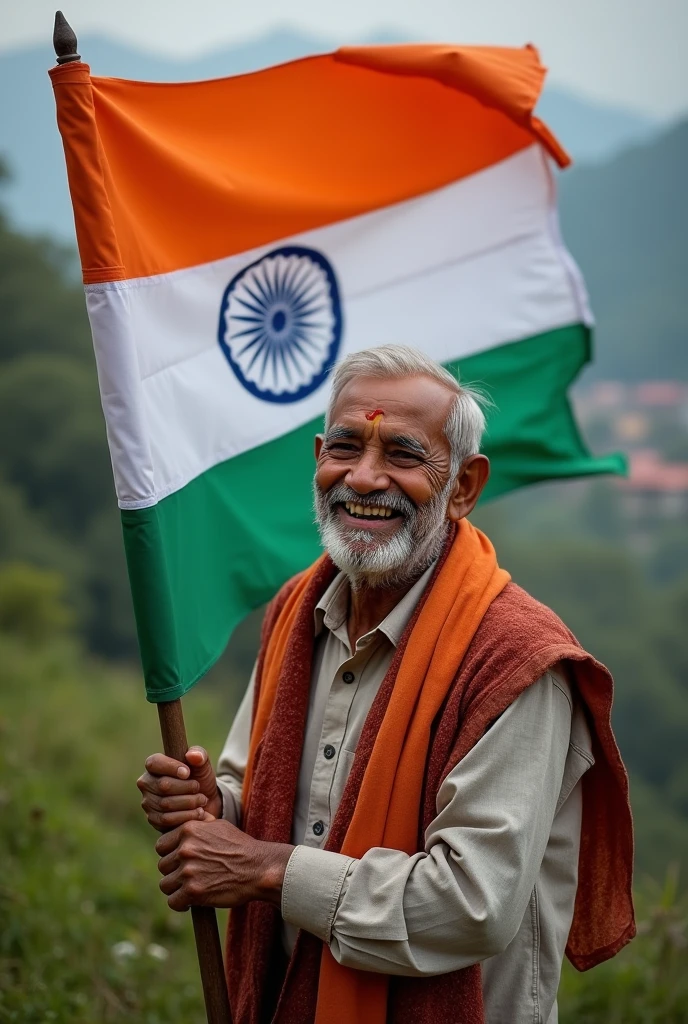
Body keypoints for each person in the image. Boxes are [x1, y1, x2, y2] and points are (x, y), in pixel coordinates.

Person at [138, 345, 635, 1024]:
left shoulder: (516, 659)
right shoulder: (297, 611)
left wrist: (266, 870)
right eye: (345, 446)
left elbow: (470, 904)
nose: (365, 479)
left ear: (463, 486)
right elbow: (257, 801)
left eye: (403, 456)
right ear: (318, 457)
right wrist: (212, 810)